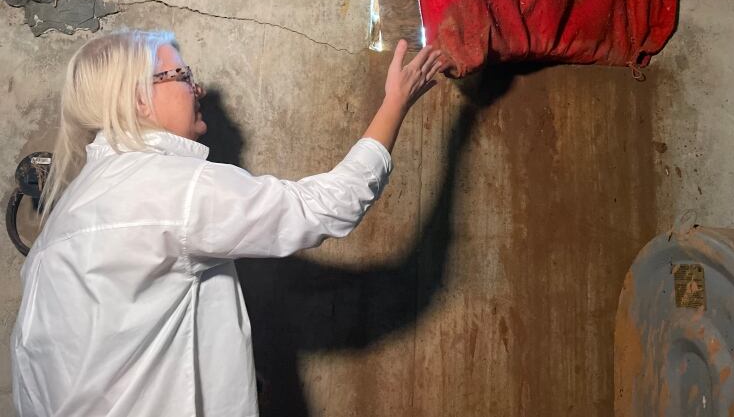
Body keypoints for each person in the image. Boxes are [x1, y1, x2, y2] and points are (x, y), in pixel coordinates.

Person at [11, 29, 444, 417]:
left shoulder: (65, 217)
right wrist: (395, 103)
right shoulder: (170, 186)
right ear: (139, 98)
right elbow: (331, 205)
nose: (196, 87)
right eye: (181, 75)